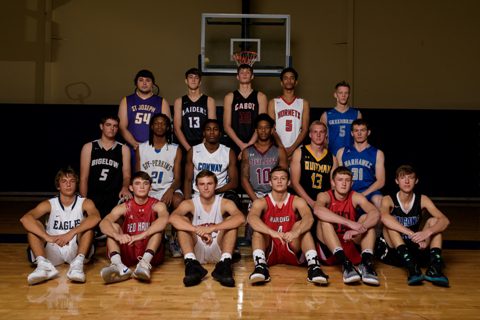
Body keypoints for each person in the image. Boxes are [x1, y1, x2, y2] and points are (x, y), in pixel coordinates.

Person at [247, 166, 329, 285]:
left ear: (289, 182)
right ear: (270, 182)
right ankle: (260, 266)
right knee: (258, 230)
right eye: (275, 179)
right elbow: (251, 218)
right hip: (271, 247)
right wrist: (271, 232)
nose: (279, 181)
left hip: (291, 243)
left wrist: (296, 232)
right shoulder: (261, 202)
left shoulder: (297, 201)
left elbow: (309, 218)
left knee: (302, 226)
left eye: (283, 178)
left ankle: (314, 267)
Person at [20, 167, 101, 285]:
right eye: (64, 181)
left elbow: (96, 217)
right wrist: (47, 237)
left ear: (76, 184)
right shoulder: (49, 203)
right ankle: (44, 266)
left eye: (72, 181)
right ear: (58, 186)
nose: (68, 185)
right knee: (34, 226)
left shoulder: (85, 202)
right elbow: (25, 219)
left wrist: (71, 233)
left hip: (75, 246)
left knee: (88, 227)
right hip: (53, 245)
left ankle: (77, 265)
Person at [169, 170, 245, 287]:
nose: (205, 187)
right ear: (196, 186)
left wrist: (212, 228)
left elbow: (240, 218)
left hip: (219, 247)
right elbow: (172, 218)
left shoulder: (225, 203)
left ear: (216, 185)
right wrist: (197, 230)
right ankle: (191, 264)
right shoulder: (189, 203)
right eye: (202, 184)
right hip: (196, 249)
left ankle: (225, 264)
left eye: (209, 184)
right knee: (183, 222)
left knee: (231, 222)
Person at [378, 165, 450, 286]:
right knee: (390, 223)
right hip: (394, 250)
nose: (407, 181)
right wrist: (411, 233)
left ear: (416, 181)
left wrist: (427, 233)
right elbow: (384, 218)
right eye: (403, 178)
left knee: (434, 221)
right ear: (397, 181)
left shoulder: (423, 199)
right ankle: (411, 267)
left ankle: (435, 268)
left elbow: (445, 220)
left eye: (410, 178)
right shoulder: (388, 199)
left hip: (414, 245)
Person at [313, 166, 380, 285]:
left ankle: (366, 264)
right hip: (330, 249)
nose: (344, 184)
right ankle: (345, 264)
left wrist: (359, 230)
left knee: (366, 219)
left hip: (349, 243)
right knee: (324, 221)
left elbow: (375, 213)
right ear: (333, 182)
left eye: (347, 180)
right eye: (340, 180)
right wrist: (349, 223)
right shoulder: (324, 195)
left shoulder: (356, 196)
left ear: (352, 183)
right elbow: (317, 210)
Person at [99, 171, 169, 283]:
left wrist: (141, 235)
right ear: (131, 188)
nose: (142, 186)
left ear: (150, 187)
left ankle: (144, 264)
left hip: (150, 252)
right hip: (129, 249)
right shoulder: (125, 207)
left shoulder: (157, 205)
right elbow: (103, 223)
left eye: (145, 183)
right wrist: (116, 236)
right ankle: (118, 265)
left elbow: (164, 220)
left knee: (157, 228)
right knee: (113, 227)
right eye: (137, 183)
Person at [136, 113, 183, 257]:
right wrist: (143, 192)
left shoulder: (175, 149)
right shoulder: (141, 148)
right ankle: (153, 237)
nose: (160, 126)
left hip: (166, 188)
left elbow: (178, 178)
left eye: (163, 123)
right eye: (156, 123)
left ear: (168, 127)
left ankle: (175, 240)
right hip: (147, 190)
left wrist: (170, 190)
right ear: (151, 126)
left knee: (179, 201)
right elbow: (137, 176)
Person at [240, 114, 288, 245]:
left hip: (274, 194)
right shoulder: (247, 151)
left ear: (272, 130)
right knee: (252, 228)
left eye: (266, 128)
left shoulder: (279, 151)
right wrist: (256, 199)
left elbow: (284, 176)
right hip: (255, 194)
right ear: (256, 130)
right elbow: (244, 179)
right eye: (260, 128)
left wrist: (274, 198)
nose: (263, 131)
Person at [79, 115, 132, 228]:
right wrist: (83, 201)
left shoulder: (123, 149)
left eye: (115, 126)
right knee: (87, 227)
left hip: (114, 196)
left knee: (118, 227)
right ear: (101, 126)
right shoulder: (89, 147)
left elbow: (127, 175)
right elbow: (83, 178)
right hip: (93, 195)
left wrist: (125, 187)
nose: (112, 128)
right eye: (108, 125)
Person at [118, 69, 171, 166]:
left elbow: (166, 128)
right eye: (141, 80)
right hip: (132, 148)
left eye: (148, 80)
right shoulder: (126, 100)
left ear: (153, 84)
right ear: (136, 83)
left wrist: (155, 146)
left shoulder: (162, 102)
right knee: (132, 179)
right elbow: (121, 127)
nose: (144, 83)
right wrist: (135, 144)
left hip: (155, 149)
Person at [184, 119, 239, 202]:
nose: (212, 132)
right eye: (208, 129)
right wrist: (187, 202)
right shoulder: (193, 151)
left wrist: (214, 191)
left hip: (220, 194)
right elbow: (188, 180)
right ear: (204, 133)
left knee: (233, 199)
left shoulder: (228, 152)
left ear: (220, 133)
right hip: (198, 194)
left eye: (215, 129)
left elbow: (234, 182)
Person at [336, 119, 385, 209]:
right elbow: (338, 178)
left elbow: (381, 181)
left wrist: (363, 194)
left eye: (362, 130)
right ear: (352, 133)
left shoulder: (377, 153)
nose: (359, 133)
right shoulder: (342, 152)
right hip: (349, 191)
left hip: (369, 192)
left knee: (379, 200)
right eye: (356, 130)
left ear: (368, 132)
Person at [290, 121, 338, 209]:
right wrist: (311, 202)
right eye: (315, 132)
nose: (318, 135)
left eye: (322, 132)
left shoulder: (332, 158)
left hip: (323, 202)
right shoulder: (299, 152)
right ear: (310, 135)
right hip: (302, 200)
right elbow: (294, 183)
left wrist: (328, 203)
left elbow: (333, 186)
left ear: (326, 135)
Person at [223, 64, 268, 157]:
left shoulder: (261, 97)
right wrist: (242, 145)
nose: (244, 74)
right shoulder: (229, 97)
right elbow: (226, 126)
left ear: (252, 76)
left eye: (247, 72)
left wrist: (249, 145)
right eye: (241, 72)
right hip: (235, 143)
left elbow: (261, 125)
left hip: (255, 143)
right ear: (237, 76)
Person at [267, 67, 310, 158]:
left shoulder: (304, 103)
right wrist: (282, 148)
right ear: (281, 83)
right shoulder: (273, 102)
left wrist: (291, 149)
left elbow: (305, 129)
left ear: (296, 82)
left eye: (292, 78)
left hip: (297, 149)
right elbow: (272, 129)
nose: (289, 80)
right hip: (277, 148)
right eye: (286, 78)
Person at [173, 67, 216, 152]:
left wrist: (201, 148)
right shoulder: (179, 101)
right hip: (185, 145)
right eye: (190, 77)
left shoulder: (209, 101)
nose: (193, 80)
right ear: (186, 81)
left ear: (200, 82)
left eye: (196, 78)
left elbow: (212, 126)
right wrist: (189, 149)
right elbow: (177, 128)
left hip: (204, 145)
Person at [320, 81, 362, 155]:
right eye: (340, 93)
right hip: (332, 155)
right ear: (335, 95)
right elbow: (322, 138)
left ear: (349, 95)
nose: (343, 95)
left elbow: (361, 137)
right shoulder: (326, 115)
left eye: (346, 93)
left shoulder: (356, 114)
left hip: (351, 155)